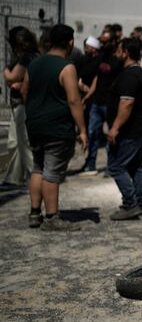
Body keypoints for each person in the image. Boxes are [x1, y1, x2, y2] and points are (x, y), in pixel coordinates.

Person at [21, 24, 88, 231]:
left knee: (38, 167)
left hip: (35, 125)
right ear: (70, 42)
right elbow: (74, 100)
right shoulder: (66, 67)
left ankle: (35, 213)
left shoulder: (34, 64)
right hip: (57, 128)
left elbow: (24, 91)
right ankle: (52, 217)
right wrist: (83, 130)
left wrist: (36, 111)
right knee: (52, 171)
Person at [106, 38, 142, 220]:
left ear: (125, 52)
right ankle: (140, 204)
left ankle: (131, 204)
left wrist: (115, 128)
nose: (116, 53)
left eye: (119, 50)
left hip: (129, 132)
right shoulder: (138, 73)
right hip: (138, 130)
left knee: (116, 167)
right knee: (135, 167)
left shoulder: (130, 76)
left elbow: (126, 103)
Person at [78, 31, 121, 175]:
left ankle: (111, 167)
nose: (102, 44)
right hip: (97, 102)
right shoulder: (101, 58)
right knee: (93, 133)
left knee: (111, 136)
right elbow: (97, 79)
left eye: (105, 42)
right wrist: (88, 96)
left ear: (113, 42)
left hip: (110, 104)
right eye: (101, 42)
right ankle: (90, 165)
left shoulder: (118, 60)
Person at [2, 26, 38, 186]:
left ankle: (35, 177)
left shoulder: (27, 57)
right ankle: (13, 177)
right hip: (19, 106)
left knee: (24, 143)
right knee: (14, 142)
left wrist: (5, 71)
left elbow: (12, 77)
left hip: (23, 105)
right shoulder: (30, 56)